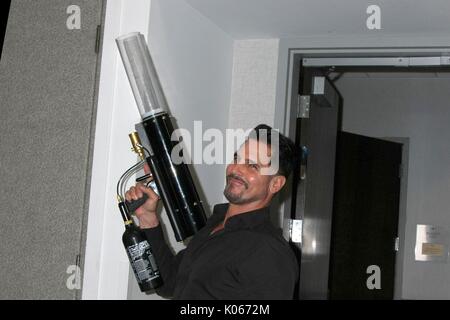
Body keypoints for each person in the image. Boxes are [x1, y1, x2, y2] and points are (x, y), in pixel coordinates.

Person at [125, 124, 299, 299]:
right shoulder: (214, 225)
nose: (235, 169)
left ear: (276, 184)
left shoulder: (269, 251)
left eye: (252, 165)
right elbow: (169, 284)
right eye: (236, 158)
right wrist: (147, 217)